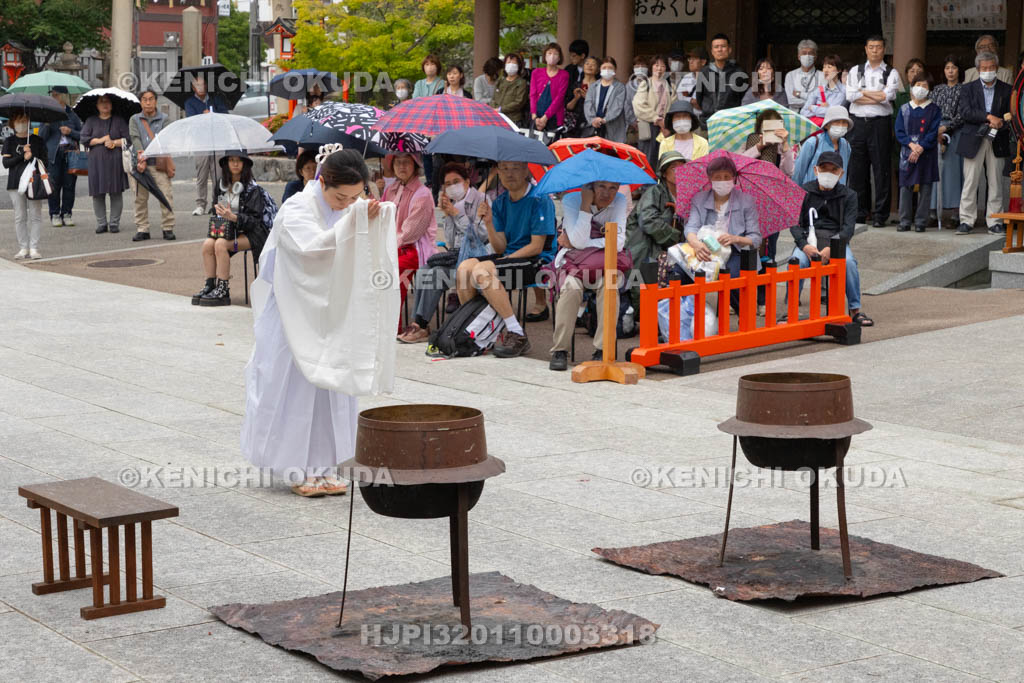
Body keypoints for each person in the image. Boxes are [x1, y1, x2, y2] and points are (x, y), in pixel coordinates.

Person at [241, 149, 386, 498]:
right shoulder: (296, 209)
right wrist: (354, 223)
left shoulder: (347, 208)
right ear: (321, 181)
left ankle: (326, 465)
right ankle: (295, 466)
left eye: (354, 197)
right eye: (340, 196)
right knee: (296, 387)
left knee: (330, 387)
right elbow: (310, 253)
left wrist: (369, 218)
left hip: (330, 312)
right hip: (294, 311)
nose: (346, 203)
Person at [455, 161, 556, 358]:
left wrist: (505, 259)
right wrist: (489, 222)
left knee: (482, 270)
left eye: (515, 168)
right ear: (498, 172)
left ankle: (516, 332)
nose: (510, 173)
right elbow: (500, 247)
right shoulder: (500, 201)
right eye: (504, 169)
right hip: (510, 257)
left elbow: (536, 246)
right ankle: (475, 329)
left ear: (526, 170)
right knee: (465, 268)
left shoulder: (540, 199)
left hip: (537, 261)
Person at [398, 163, 486, 344]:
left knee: (436, 275)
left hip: (476, 259)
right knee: (424, 270)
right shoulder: (452, 203)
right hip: (456, 256)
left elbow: (480, 236)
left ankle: (420, 324)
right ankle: (418, 325)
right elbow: (451, 240)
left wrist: (456, 214)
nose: (452, 186)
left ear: (467, 181)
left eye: (456, 181)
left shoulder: (480, 200)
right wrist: (448, 214)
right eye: (448, 183)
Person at [549, 181, 630, 371]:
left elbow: (617, 243)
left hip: (605, 262)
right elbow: (577, 242)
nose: (607, 193)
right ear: (591, 187)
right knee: (571, 287)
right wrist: (585, 206)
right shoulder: (571, 200)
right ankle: (560, 349)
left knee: (609, 286)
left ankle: (604, 349)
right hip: (574, 262)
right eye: (601, 187)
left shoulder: (618, 201)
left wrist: (585, 241)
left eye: (613, 188)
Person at [788, 150, 872, 326]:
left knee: (849, 263)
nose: (828, 173)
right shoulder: (804, 191)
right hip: (809, 240)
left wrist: (833, 247)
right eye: (824, 169)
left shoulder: (849, 195)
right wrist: (804, 246)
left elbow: (848, 229)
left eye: (834, 170)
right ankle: (791, 310)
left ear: (841, 173)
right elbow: (794, 223)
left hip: (836, 241)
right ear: (816, 170)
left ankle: (855, 309)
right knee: (796, 261)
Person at [194, 153, 275, 306]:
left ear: (245, 164)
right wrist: (217, 210)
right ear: (226, 164)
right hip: (228, 231)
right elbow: (215, 209)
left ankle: (223, 290)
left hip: (253, 234)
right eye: (231, 161)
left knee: (221, 245)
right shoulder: (221, 184)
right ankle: (210, 285)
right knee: (207, 245)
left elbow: (255, 221)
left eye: (239, 161)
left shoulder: (253, 189)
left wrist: (235, 217)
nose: (235, 164)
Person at [683, 155, 761, 313]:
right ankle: (687, 314)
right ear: (710, 179)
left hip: (736, 252)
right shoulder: (699, 199)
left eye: (726, 177)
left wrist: (735, 238)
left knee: (731, 274)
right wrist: (697, 245)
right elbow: (690, 228)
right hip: (705, 249)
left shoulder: (746, 201)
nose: (722, 181)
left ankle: (745, 315)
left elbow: (756, 238)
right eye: (717, 177)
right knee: (681, 272)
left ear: (734, 178)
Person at [845, 34, 901, 226]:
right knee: (857, 170)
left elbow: (888, 96)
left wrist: (863, 93)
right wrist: (876, 94)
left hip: (880, 123)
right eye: (871, 47)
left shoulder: (891, 72)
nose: (875, 50)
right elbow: (850, 95)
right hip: (857, 123)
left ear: (884, 49)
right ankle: (860, 212)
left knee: (881, 169)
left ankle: (880, 215)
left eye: (878, 47)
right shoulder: (856, 70)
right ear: (865, 49)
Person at [957, 52, 1012, 236]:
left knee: (996, 182)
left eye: (991, 68)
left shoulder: (1007, 89)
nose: (987, 71)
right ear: (978, 69)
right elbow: (965, 112)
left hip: (997, 139)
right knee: (970, 181)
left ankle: (995, 221)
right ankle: (966, 220)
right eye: (984, 68)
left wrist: (1000, 122)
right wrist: (988, 117)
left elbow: (1011, 115)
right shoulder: (968, 88)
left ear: (996, 68)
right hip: (974, 137)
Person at [383, 152, 435, 318]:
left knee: (392, 272)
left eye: (406, 162)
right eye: (397, 162)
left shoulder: (423, 193)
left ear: (415, 165)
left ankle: (391, 324)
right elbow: (381, 217)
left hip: (413, 249)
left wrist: (387, 248)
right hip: (393, 245)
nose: (401, 166)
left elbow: (410, 233)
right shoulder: (392, 189)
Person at [895, 72, 941, 233]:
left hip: (927, 153)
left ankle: (921, 221)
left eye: (924, 86)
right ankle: (905, 220)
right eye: (918, 85)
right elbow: (899, 131)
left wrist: (920, 147)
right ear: (912, 87)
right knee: (905, 187)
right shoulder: (904, 109)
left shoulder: (934, 109)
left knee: (926, 187)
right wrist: (911, 146)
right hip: (907, 153)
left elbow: (933, 131)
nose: (920, 89)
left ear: (930, 90)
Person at [626, 150, 686, 270]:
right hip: (647, 247)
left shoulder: (685, 196)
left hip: (671, 248)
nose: (678, 171)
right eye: (673, 168)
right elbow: (647, 219)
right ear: (664, 173)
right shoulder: (654, 192)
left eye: (682, 167)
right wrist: (674, 237)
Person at [129, 89, 176, 242]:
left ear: (156, 101)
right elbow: (135, 138)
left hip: (159, 163)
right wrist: (141, 154)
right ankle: (143, 228)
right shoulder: (134, 119)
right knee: (140, 199)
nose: (148, 102)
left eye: (150, 99)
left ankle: (167, 227)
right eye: (144, 99)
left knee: (165, 196)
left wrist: (148, 153)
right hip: (141, 164)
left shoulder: (164, 119)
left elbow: (165, 140)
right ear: (140, 102)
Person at [80, 95, 130, 235]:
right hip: (96, 161)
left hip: (115, 160)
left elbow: (128, 139)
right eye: (101, 102)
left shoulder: (119, 120)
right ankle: (101, 223)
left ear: (112, 104)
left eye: (107, 101)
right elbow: (84, 139)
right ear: (96, 106)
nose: (104, 104)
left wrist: (114, 142)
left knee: (115, 192)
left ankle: (114, 223)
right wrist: (101, 140)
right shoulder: (91, 121)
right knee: (97, 193)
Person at [2, 112, 48, 259]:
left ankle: (34, 247)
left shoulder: (38, 141)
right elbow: (6, 163)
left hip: (34, 182)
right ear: (13, 123)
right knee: (20, 216)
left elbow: (45, 162)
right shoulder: (9, 141)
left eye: (25, 120)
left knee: (36, 215)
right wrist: (22, 155)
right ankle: (23, 247)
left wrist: (32, 156)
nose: (22, 123)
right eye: (19, 120)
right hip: (15, 183)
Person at [184, 77, 229, 217]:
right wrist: (202, 117)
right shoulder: (190, 102)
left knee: (219, 174)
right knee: (202, 174)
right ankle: (200, 204)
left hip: (217, 140)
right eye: (197, 85)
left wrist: (213, 115)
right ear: (193, 87)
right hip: (201, 141)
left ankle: (218, 204)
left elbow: (225, 116)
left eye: (202, 84)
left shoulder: (215, 99)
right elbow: (191, 121)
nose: (200, 87)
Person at [37, 86, 81, 227]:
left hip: (70, 153)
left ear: (64, 96)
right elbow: (41, 137)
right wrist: (47, 124)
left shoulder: (72, 114)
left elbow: (82, 135)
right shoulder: (47, 113)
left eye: (56, 95)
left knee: (69, 185)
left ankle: (67, 213)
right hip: (53, 155)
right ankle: (54, 214)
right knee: (54, 185)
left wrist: (70, 131)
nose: (54, 97)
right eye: (53, 95)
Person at [932, 55, 964, 223]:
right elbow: (931, 110)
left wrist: (947, 128)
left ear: (959, 70)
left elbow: (963, 114)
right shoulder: (937, 89)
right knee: (936, 170)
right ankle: (932, 211)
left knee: (953, 173)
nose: (950, 71)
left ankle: (955, 212)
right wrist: (936, 130)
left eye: (954, 67)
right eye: (947, 68)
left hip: (956, 132)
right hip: (936, 131)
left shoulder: (964, 89)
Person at [691, 33, 748, 126]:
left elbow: (743, 98)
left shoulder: (739, 73)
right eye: (716, 47)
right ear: (712, 51)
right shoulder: (704, 72)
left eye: (723, 46)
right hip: (708, 122)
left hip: (731, 123)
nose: (720, 49)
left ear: (729, 49)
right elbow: (699, 98)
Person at [793, 105, 853, 185]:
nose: (841, 125)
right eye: (837, 122)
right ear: (827, 125)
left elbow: (844, 171)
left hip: (837, 194)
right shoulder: (812, 143)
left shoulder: (846, 145)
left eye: (844, 123)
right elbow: (798, 172)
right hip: (812, 193)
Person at [632, 55, 673, 168]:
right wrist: (656, 118)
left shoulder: (669, 86)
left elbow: (673, 106)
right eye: (656, 65)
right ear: (651, 67)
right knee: (647, 157)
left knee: (662, 157)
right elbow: (638, 105)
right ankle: (645, 185)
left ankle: (658, 183)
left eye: (662, 66)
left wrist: (666, 123)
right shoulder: (646, 83)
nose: (659, 68)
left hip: (664, 127)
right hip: (649, 125)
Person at [530, 42, 570, 134]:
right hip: (536, 115)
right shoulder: (536, 72)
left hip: (554, 117)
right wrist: (534, 115)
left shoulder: (564, 75)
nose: (552, 56)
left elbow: (560, 98)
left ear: (559, 57)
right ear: (545, 56)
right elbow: (532, 94)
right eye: (549, 53)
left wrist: (545, 117)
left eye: (556, 54)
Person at [584, 57, 627, 142]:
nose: (607, 70)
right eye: (604, 68)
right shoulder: (593, 86)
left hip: (613, 127)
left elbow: (617, 106)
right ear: (600, 69)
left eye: (610, 68)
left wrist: (604, 119)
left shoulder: (620, 87)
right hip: (594, 127)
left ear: (615, 70)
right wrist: (593, 119)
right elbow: (588, 103)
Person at [800, 55, 846, 124]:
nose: (826, 70)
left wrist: (813, 108)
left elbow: (833, 114)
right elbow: (803, 112)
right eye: (824, 67)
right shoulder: (818, 90)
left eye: (829, 67)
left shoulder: (843, 90)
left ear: (839, 70)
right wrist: (824, 109)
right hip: (817, 130)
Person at [784, 39, 825, 112]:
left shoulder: (822, 76)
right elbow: (791, 101)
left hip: (814, 116)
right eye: (804, 53)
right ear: (799, 56)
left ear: (815, 57)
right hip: (795, 116)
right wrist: (813, 102)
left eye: (810, 53)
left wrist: (799, 94)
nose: (807, 56)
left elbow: (822, 99)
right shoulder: (790, 75)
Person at [564, 56, 599, 137]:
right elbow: (568, 107)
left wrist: (588, 98)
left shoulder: (599, 86)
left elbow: (601, 108)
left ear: (597, 70)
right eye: (587, 64)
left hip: (592, 124)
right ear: (583, 67)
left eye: (593, 64)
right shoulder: (576, 85)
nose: (589, 66)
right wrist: (576, 98)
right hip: (575, 125)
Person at [493, 52, 530, 127]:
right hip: (498, 118)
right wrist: (494, 109)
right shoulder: (500, 80)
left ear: (518, 65)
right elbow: (494, 97)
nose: (511, 65)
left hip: (513, 119)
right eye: (508, 62)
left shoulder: (522, 83)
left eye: (513, 62)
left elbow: (519, 102)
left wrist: (501, 109)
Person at [676, 48, 708, 122]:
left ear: (703, 62)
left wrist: (701, 104)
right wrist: (691, 100)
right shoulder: (687, 77)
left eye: (694, 59)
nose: (690, 61)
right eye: (690, 59)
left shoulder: (712, 78)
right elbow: (681, 94)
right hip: (689, 119)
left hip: (705, 120)